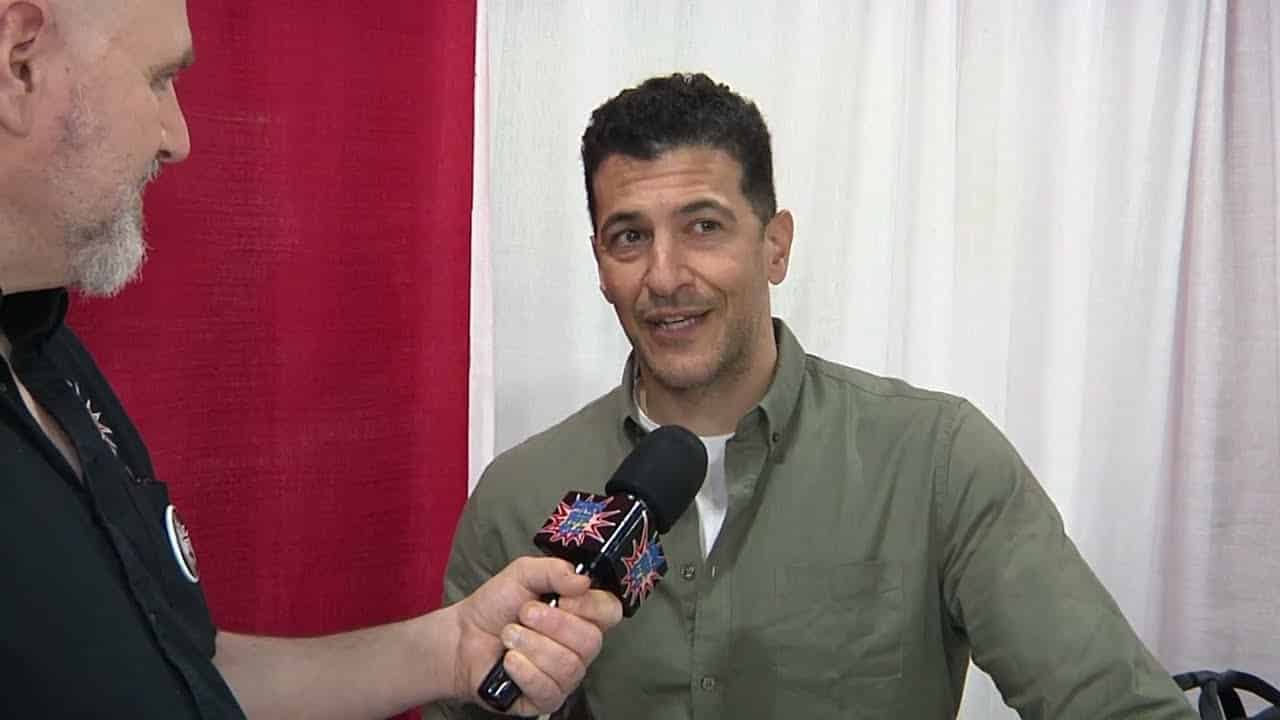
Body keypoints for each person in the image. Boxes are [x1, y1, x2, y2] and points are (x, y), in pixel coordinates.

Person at [424, 73, 1197, 719]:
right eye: (629, 237)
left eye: (703, 226)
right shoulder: (520, 493)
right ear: (600, 265)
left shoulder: (935, 460)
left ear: (776, 244)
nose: (663, 277)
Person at [0, 1, 622, 717]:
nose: (178, 138)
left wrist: (448, 650)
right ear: (21, 64)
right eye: (156, 80)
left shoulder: (44, 347)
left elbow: (178, 673)